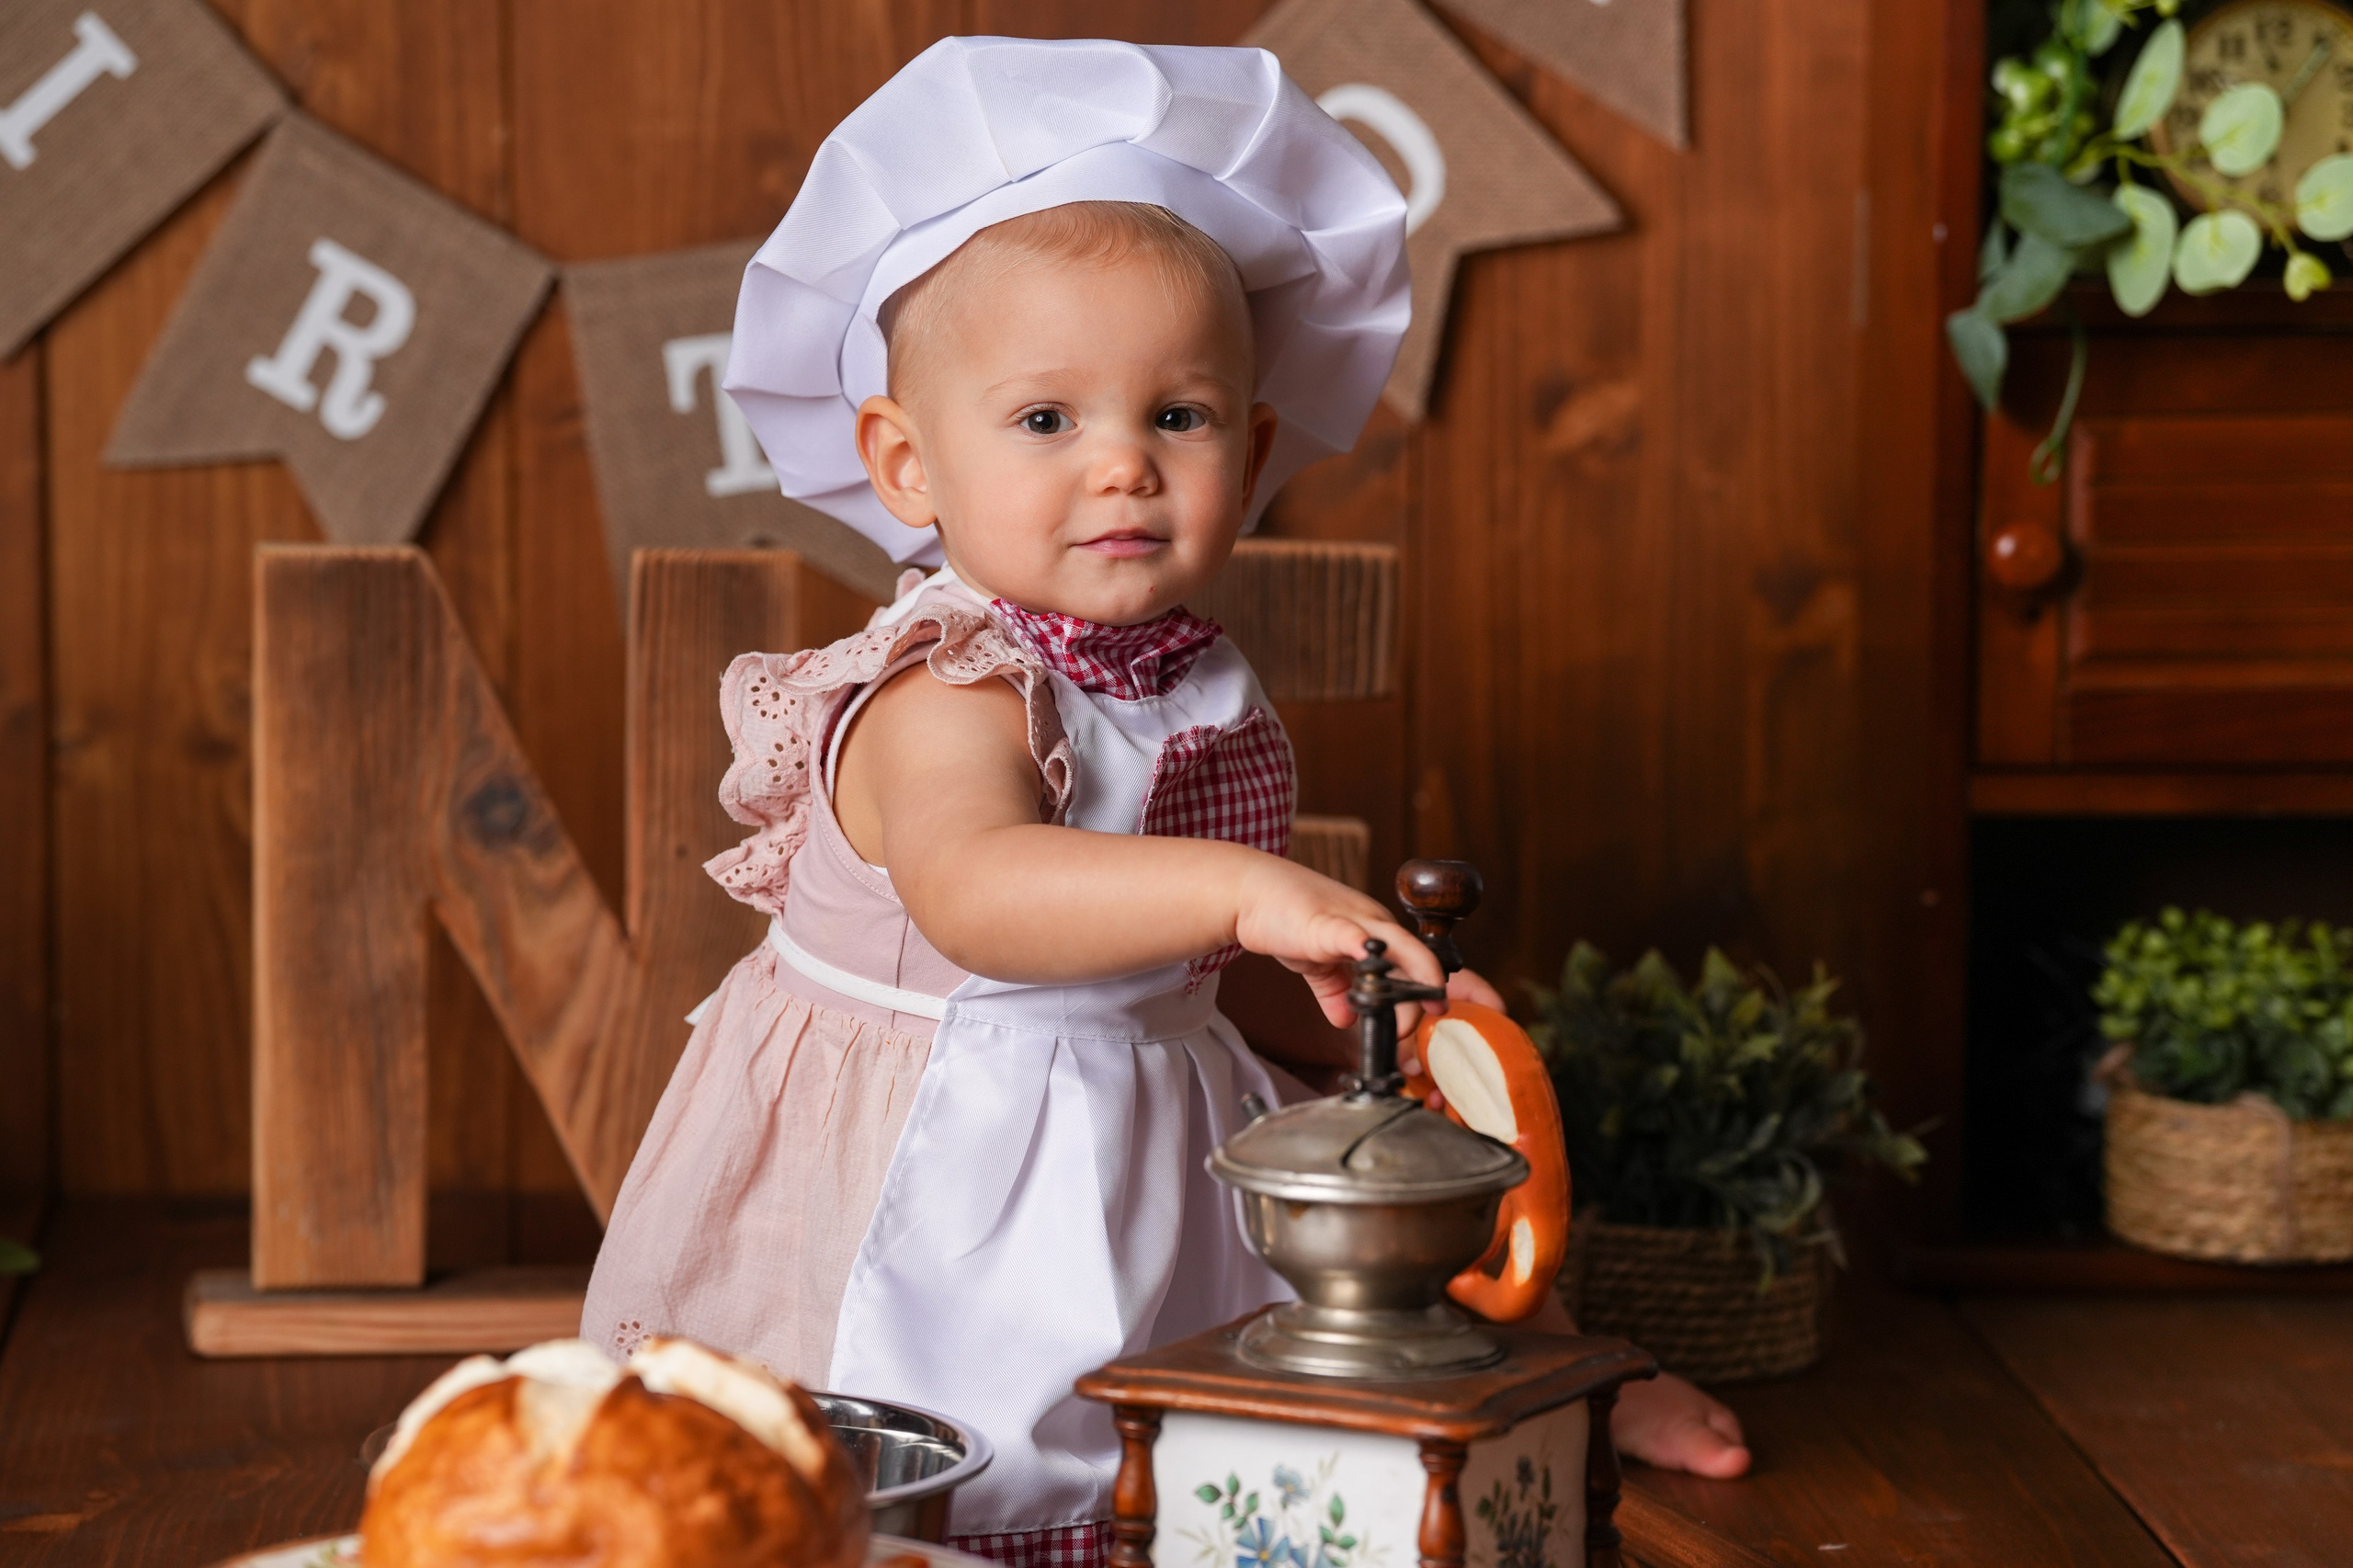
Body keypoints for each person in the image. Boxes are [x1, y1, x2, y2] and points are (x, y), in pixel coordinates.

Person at [582, 37, 1745, 1568]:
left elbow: (1167, 956)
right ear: (906, 463)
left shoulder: (1184, 668)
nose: (1123, 466)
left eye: (1180, 419)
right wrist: (1250, 894)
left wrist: (1338, 983)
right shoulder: (951, 680)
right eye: (1047, 420)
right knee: (941, 1469)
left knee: (1383, 1176)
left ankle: (1562, 1376)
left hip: (1150, 1100)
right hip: (937, 1151)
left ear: (1254, 451)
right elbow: (981, 891)